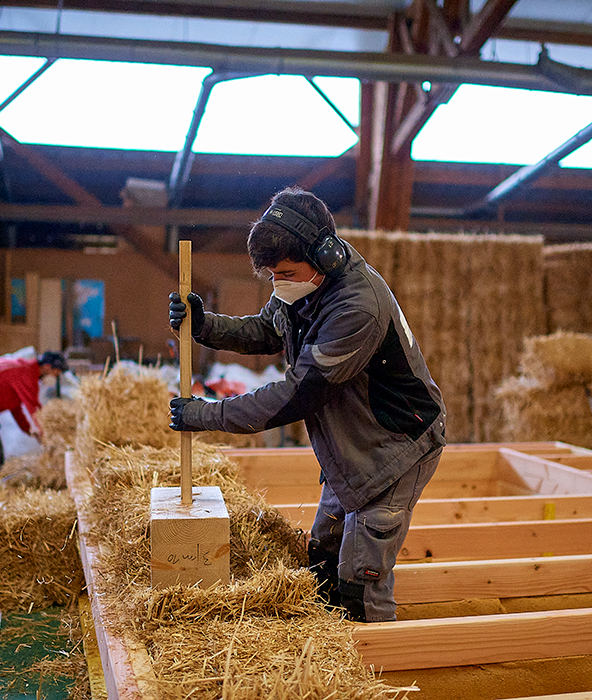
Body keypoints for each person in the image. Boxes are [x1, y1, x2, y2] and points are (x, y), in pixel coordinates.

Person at [168, 186, 446, 623]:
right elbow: (266, 330)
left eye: (285, 272)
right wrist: (206, 327)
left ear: (326, 255)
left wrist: (208, 414)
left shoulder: (357, 307)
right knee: (322, 558)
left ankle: (374, 669)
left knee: (359, 577)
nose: (279, 283)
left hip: (394, 447)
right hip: (351, 444)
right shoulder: (302, 284)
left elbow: (298, 394)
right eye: (272, 275)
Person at [0, 351, 68, 485]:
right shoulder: (27, 375)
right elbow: (34, 408)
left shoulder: (23, 368)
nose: (56, 376)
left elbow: (15, 407)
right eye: (56, 372)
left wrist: (28, 429)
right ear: (47, 367)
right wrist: (44, 432)